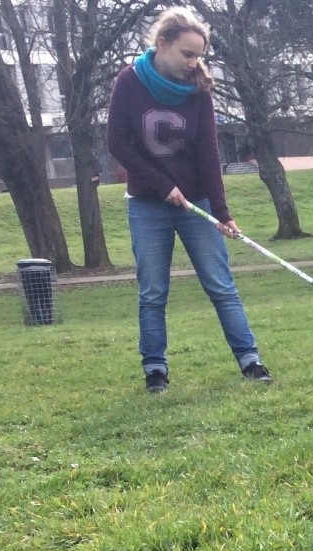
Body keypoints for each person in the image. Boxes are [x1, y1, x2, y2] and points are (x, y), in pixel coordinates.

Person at [107, 7, 273, 392]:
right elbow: (118, 144)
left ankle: (251, 361)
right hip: (148, 204)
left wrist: (222, 212)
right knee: (152, 291)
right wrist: (160, 185)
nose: (193, 62)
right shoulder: (128, 83)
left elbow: (208, 155)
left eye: (198, 54)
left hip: (196, 203)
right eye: (186, 53)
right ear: (161, 45)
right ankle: (155, 370)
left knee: (221, 285)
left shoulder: (199, 91)